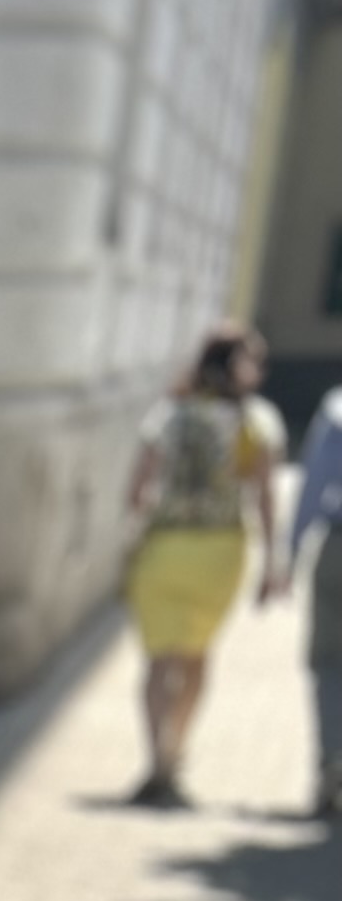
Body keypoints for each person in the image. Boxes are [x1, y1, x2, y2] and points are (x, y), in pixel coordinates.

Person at [123, 324, 284, 806]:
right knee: (195, 655)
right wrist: (272, 560)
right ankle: (177, 749)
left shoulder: (168, 413)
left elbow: (137, 491)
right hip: (219, 551)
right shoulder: (256, 421)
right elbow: (265, 495)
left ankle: (157, 758)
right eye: (254, 360)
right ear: (232, 364)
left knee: (157, 658)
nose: (260, 370)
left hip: (163, 548)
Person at [270, 379, 342, 815]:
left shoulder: (337, 409)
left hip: (338, 549)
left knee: (329, 663)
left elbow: (314, 484)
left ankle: (331, 761)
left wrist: (291, 552)